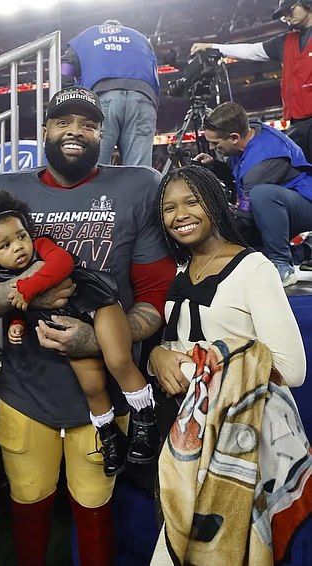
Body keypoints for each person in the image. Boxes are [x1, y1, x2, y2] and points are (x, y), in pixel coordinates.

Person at [0, 85, 176, 566]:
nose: (74, 132)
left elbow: (154, 294)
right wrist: (20, 294)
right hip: (26, 390)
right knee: (29, 507)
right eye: (63, 122)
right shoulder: (2, 191)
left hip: (101, 394)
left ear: (104, 134)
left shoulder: (138, 185)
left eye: (88, 124)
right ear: (44, 130)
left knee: (96, 513)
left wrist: (100, 340)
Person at [148, 164, 310, 564]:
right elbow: (174, 347)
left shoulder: (254, 268)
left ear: (216, 203)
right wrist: (156, 355)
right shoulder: (181, 270)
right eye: (169, 208)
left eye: (191, 201)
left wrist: (199, 365)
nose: (179, 214)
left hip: (241, 438)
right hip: (187, 435)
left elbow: (292, 369)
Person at [0, 189, 159, 477]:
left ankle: (145, 421)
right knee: (91, 385)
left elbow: (61, 265)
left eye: (21, 236)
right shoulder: (3, 277)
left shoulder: (43, 246)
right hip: (65, 322)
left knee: (118, 361)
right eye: (5, 245)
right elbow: (18, 307)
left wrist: (25, 288)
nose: (18, 246)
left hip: (95, 302)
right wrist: (17, 322)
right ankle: (109, 435)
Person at [193, 100, 312, 286]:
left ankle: (282, 266)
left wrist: (217, 239)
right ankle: (305, 251)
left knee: (261, 196)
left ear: (233, 137)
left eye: (215, 143)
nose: (212, 148)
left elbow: (245, 218)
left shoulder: (262, 162)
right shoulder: (248, 136)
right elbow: (240, 177)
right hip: (283, 205)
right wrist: (215, 165)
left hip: (304, 204)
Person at [191, 0, 312, 162]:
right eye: (283, 15)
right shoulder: (284, 42)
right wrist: (213, 46)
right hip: (298, 124)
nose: (286, 17)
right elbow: (252, 50)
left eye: (289, 10)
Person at [62, 20, 159, 167]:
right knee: (139, 170)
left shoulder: (85, 37)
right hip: (142, 99)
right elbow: (153, 72)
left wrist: (73, 100)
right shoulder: (140, 38)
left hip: (102, 98)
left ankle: (92, 190)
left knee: (93, 165)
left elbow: (65, 71)